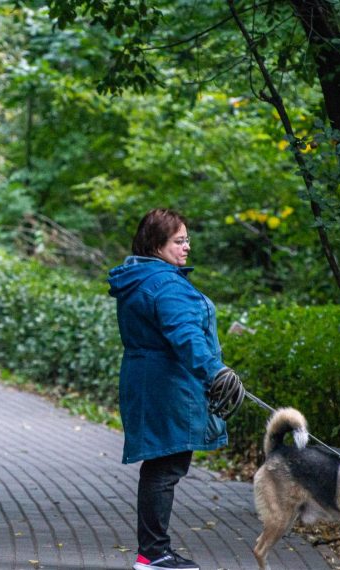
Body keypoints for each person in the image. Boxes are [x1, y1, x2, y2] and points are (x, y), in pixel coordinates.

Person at [107, 208, 240, 570]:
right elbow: (185, 335)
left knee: (162, 465)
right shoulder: (165, 285)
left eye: (187, 240)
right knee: (165, 467)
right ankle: (153, 553)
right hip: (167, 384)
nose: (187, 247)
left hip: (148, 379)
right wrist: (215, 371)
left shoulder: (141, 278)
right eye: (179, 241)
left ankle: (152, 551)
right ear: (156, 245)